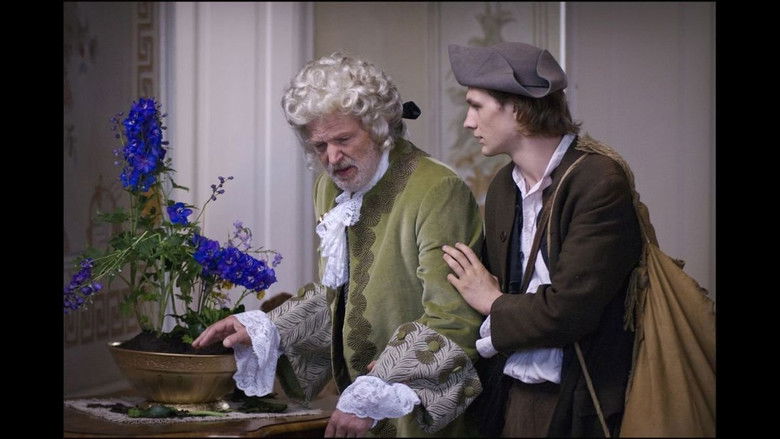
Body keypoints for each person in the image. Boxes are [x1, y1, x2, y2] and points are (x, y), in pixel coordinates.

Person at [192, 52, 485, 437]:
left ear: (379, 127)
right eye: (319, 145)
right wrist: (267, 329)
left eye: (344, 139)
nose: (332, 157)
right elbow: (341, 297)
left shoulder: (437, 189)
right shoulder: (329, 189)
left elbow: (455, 318)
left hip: (415, 417)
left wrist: (375, 395)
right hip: (353, 412)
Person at [441, 42, 642, 437]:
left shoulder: (598, 181)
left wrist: (493, 301)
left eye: (477, 106)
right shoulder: (503, 186)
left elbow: (570, 311)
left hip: (581, 401)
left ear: (517, 109)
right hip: (512, 394)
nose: (467, 122)